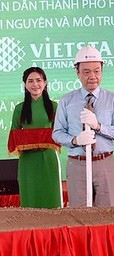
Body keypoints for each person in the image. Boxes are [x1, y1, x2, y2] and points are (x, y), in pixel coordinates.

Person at [52, 45, 114, 207]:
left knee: (107, 214)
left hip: (104, 162)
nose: (92, 76)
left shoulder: (113, 99)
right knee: (80, 216)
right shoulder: (67, 101)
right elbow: (57, 133)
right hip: (77, 163)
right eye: (86, 72)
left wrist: (99, 126)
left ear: (102, 71)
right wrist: (75, 140)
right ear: (78, 73)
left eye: (97, 71)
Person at [9, 67, 61, 208]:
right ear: (25, 85)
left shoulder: (54, 106)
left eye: (38, 80)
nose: (35, 84)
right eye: (30, 81)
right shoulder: (19, 108)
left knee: (51, 195)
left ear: (45, 83)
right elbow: (14, 134)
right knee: (30, 196)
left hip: (48, 158)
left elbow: (59, 133)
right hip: (27, 160)